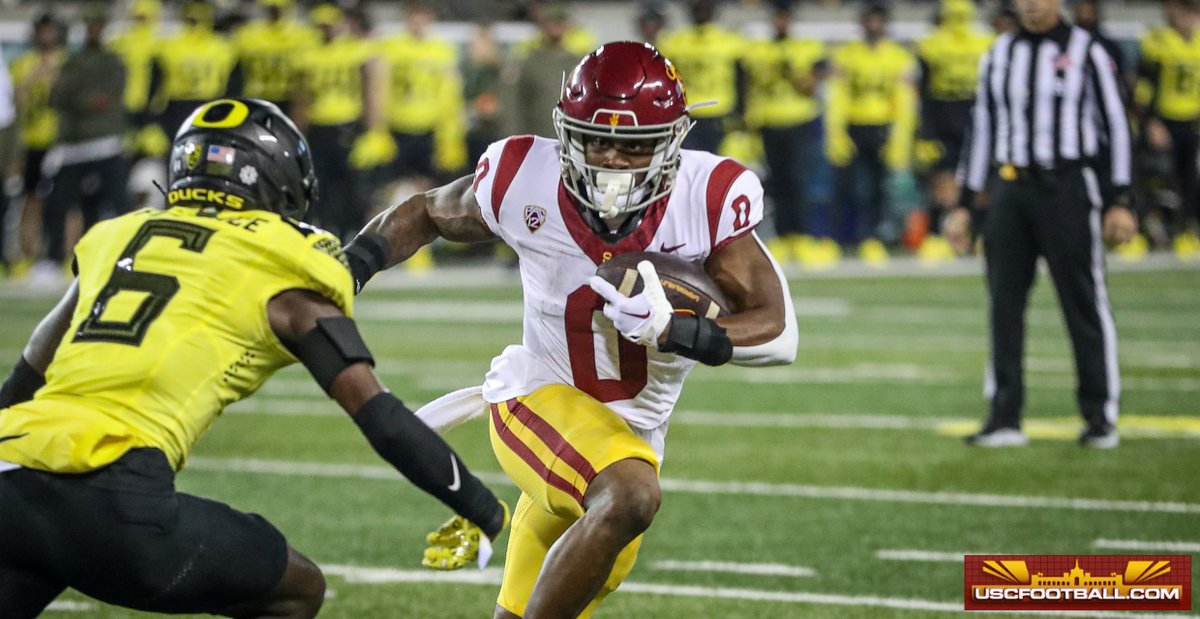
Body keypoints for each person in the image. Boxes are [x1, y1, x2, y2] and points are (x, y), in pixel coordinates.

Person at [0, 98, 507, 618]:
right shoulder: (282, 263)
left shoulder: (119, 237)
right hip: (113, 491)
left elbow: (26, 374)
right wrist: (480, 506)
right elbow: (380, 416)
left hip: (10, 476)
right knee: (297, 588)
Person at [343, 41, 798, 619]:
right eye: (593, 138)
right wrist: (349, 266)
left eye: (631, 146)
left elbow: (779, 332)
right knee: (631, 498)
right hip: (534, 399)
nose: (608, 159)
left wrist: (677, 331)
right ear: (565, 130)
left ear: (671, 141)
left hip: (627, 437)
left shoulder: (705, 196)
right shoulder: (523, 177)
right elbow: (429, 211)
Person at [945, 0, 1137, 448]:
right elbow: (983, 129)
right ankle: (1004, 416)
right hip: (1010, 190)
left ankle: (1100, 416)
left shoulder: (1089, 50)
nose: (1030, 5)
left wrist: (1120, 198)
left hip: (1067, 187)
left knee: (1083, 301)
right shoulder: (999, 52)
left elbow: (1116, 126)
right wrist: (965, 204)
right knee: (1004, 305)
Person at [826, 2, 917, 265]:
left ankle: (872, 239)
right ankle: (837, 239)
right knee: (844, 186)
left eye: (878, 20)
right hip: (854, 126)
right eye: (869, 20)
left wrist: (899, 136)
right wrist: (837, 132)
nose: (873, 25)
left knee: (877, 188)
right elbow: (838, 96)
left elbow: (903, 100)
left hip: (881, 127)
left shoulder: (898, 57)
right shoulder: (847, 55)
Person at [42, 5, 129, 281]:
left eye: (97, 25)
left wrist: (77, 99)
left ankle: (131, 258)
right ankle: (52, 260)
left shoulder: (113, 61)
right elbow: (57, 97)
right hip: (73, 148)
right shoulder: (73, 61)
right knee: (59, 204)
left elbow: (106, 99)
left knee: (117, 205)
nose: (93, 30)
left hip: (106, 143)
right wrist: (83, 99)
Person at [740, 3, 829, 266]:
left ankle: (800, 236)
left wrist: (792, 71)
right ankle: (781, 236)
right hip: (769, 121)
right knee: (777, 182)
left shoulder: (806, 48)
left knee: (798, 180)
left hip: (798, 121)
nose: (780, 23)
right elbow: (748, 84)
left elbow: (811, 87)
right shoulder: (758, 50)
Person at [293, 3, 384, 242]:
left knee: (351, 187)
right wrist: (297, 131)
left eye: (330, 25)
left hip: (347, 126)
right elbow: (302, 97)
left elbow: (369, 88)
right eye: (322, 26)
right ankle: (324, 234)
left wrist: (371, 129)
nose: (326, 31)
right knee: (320, 186)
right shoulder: (308, 54)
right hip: (319, 127)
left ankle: (351, 235)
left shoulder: (355, 50)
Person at [912, 0, 992, 259]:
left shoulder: (985, 43)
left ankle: (975, 235)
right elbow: (922, 90)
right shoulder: (931, 45)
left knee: (978, 184)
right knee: (943, 185)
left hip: (973, 119)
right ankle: (938, 236)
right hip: (943, 119)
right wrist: (924, 131)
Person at [1136, 0, 1200, 259]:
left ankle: (1187, 231)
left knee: (1190, 180)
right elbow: (1145, 86)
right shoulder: (1158, 41)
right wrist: (1150, 121)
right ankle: (1149, 232)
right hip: (1163, 120)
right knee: (1156, 179)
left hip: (1191, 122)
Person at [10, 13, 66, 285]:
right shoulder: (24, 65)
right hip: (31, 141)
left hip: (59, 140)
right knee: (30, 201)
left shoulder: (66, 63)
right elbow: (17, 103)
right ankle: (27, 257)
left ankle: (64, 256)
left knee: (65, 203)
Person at [658, 0, 744, 153]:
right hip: (689, 113)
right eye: (698, 7)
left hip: (720, 112)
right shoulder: (673, 43)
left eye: (705, 7)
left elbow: (742, 81)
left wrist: (740, 113)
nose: (701, 10)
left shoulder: (731, 42)